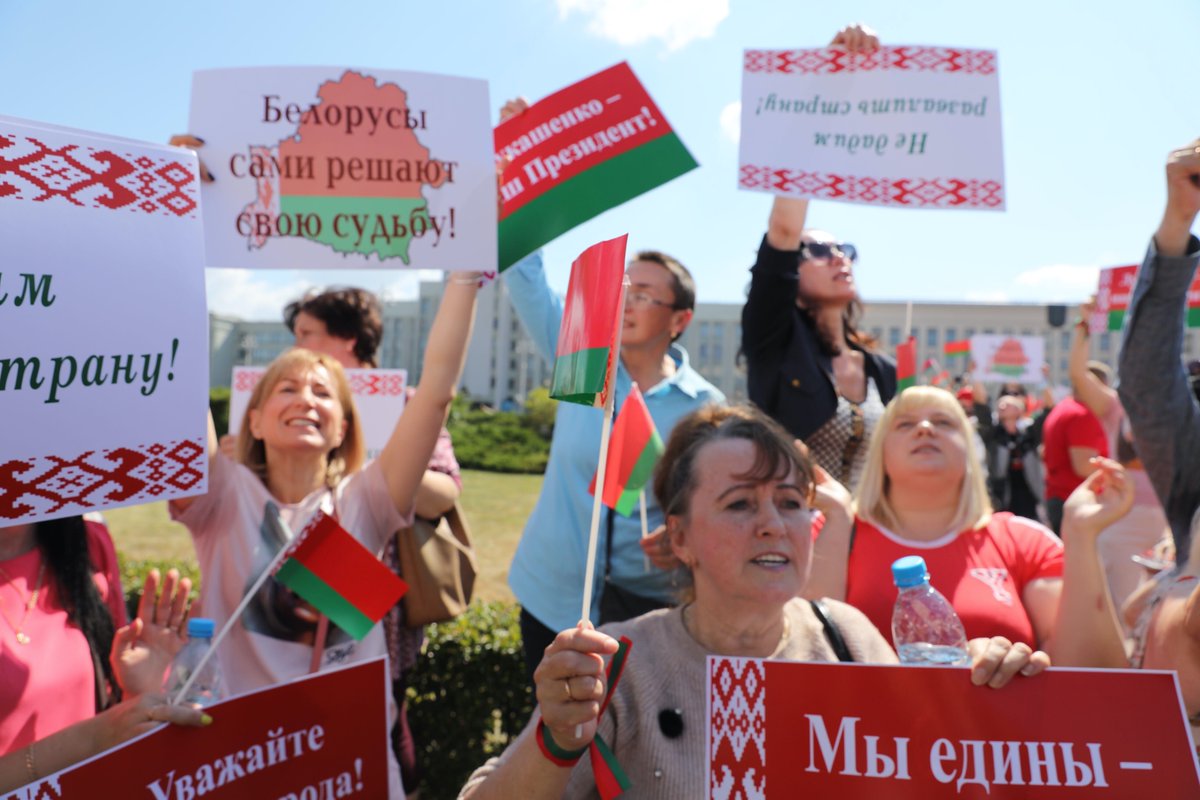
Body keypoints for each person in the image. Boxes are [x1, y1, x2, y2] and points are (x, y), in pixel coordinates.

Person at [458, 404, 1050, 798]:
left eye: (791, 502)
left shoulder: (845, 637)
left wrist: (980, 696)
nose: (773, 524)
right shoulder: (621, 662)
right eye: (740, 504)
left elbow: (930, 772)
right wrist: (555, 742)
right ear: (681, 537)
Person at [170, 273, 479, 799]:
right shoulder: (219, 494)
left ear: (343, 430)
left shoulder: (368, 500)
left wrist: (466, 279)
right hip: (236, 758)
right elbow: (178, 378)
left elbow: (435, 396)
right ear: (256, 423)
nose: (305, 400)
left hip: (346, 759)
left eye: (322, 393)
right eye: (286, 389)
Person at [498, 99, 725, 682]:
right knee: (554, 758)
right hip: (553, 599)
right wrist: (530, 162)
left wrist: (681, 546)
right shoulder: (582, 354)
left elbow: (711, 510)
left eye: (646, 294)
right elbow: (520, 269)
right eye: (625, 286)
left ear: (680, 320)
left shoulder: (704, 408)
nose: (626, 299)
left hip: (649, 609)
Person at [282, 286, 462, 788]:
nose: (295, 348)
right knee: (296, 720)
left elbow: (443, 493)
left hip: (367, 584)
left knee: (379, 713)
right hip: (291, 584)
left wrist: (386, 464)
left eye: (306, 335)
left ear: (348, 339)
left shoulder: (407, 405)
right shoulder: (290, 404)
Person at [805, 386, 1113, 664]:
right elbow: (805, 657)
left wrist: (1081, 535)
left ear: (970, 450)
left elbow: (1091, 673)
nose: (925, 429)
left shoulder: (1025, 540)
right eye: (905, 424)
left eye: (943, 423)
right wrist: (836, 520)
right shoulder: (830, 528)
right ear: (880, 454)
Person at [740, 25, 897, 492]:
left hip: (864, 545)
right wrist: (830, 85)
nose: (838, 258)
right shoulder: (774, 341)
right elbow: (785, 229)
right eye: (820, 251)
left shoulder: (880, 369)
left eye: (844, 249)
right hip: (790, 541)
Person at [0, 513, 203, 789]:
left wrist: (136, 691)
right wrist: (91, 739)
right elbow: (103, 732)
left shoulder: (88, 543)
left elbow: (113, 723)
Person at [1065, 298, 1169, 614]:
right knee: (1125, 610)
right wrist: (1085, 325)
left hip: (1170, 524)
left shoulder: (1179, 413)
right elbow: (1079, 373)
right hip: (1123, 520)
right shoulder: (1113, 407)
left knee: (1162, 613)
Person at [1040, 360, 1110, 534]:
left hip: (1064, 499)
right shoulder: (1082, 414)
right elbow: (1084, 466)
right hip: (1077, 502)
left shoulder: (1063, 408)